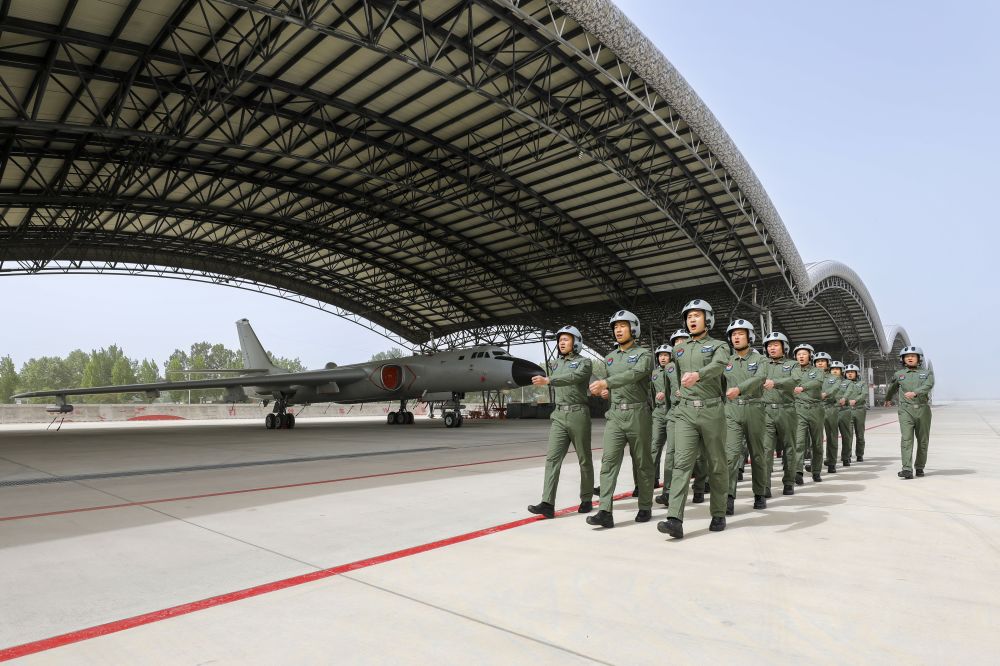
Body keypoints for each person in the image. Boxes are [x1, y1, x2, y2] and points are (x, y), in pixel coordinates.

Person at [657, 299, 730, 539]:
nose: (692, 320)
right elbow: (676, 379)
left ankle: (718, 512)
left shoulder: (720, 346)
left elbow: (720, 366)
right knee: (681, 464)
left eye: (697, 315)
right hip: (686, 412)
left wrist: (698, 375)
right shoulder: (678, 349)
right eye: (689, 316)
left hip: (711, 410)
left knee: (716, 463)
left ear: (708, 319)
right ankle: (674, 519)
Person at [586, 310, 654, 527]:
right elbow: (611, 383)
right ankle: (605, 511)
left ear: (633, 328)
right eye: (615, 327)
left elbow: (634, 375)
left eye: (623, 326)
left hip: (638, 414)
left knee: (642, 462)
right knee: (608, 462)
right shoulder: (610, 358)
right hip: (615, 415)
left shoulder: (645, 355)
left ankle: (645, 505)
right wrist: (606, 392)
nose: (618, 330)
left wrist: (607, 384)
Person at [528, 325, 594, 519]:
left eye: (566, 339)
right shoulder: (555, 363)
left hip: (578, 413)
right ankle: (547, 503)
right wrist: (549, 379)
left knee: (584, 458)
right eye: (560, 340)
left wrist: (549, 381)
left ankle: (587, 498)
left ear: (576, 342)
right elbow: (559, 377)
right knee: (552, 459)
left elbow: (573, 378)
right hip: (559, 415)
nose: (561, 343)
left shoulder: (585, 362)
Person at [722, 319, 768, 511]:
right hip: (731, 411)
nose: (737, 337)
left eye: (741, 333)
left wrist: (739, 389)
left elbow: (760, 378)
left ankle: (759, 493)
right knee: (731, 455)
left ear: (750, 336)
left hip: (754, 409)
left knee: (757, 454)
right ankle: (729, 497)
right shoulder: (726, 362)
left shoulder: (760, 360)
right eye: (733, 334)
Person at [884, 346, 935, 479]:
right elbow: (892, 388)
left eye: (913, 356)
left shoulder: (927, 373)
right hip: (905, 410)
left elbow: (929, 385)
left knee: (923, 440)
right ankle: (907, 468)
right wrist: (887, 399)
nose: (910, 358)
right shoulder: (899, 374)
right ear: (903, 359)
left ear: (919, 358)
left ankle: (919, 467)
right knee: (906, 439)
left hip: (923, 410)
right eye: (907, 356)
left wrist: (916, 392)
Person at [760, 332, 798, 496]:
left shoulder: (793, 365)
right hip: (766, 411)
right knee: (766, 450)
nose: (772, 348)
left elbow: (795, 380)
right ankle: (765, 486)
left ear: (784, 347)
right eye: (769, 345)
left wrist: (776, 383)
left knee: (789, 447)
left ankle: (789, 481)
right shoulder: (762, 364)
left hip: (787, 410)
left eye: (775, 345)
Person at [655, 328, 689, 506]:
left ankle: (701, 486)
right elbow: (667, 392)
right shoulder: (669, 367)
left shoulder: (697, 363)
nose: (679, 344)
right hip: (675, 412)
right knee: (671, 453)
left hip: (696, 411)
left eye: (683, 340)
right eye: (676, 342)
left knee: (701, 454)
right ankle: (668, 491)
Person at [791, 343, 824, 483]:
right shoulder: (792, 370)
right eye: (798, 354)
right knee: (798, 442)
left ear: (810, 356)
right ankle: (798, 471)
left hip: (816, 409)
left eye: (804, 354)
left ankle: (816, 471)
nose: (801, 356)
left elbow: (817, 382)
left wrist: (803, 387)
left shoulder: (818, 371)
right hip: (799, 409)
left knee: (817, 443)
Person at [814, 351, 843, 475]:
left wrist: (826, 394)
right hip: (815, 408)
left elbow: (835, 389)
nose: (820, 363)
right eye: (817, 361)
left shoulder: (834, 378)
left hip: (830, 408)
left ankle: (831, 462)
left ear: (828, 363)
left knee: (831, 436)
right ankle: (816, 463)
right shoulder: (809, 376)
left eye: (822, 361)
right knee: (815, 438)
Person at [650, 344, 673, 490]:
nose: (662, 358)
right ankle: (653, 479)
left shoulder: (676, 370)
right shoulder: (654, 373)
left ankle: (670, 485)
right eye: (660, 355)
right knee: (654, 446)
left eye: (665, 355)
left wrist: (666, 393)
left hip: (673, 412)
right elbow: (652, 393)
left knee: (672, 450)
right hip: (659, 412)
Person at [843, 363, 868, 462]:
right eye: (848, 372)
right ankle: (847, 455)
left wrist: (855, 400)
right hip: (846, 411)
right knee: (847, 434)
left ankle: (859, 454)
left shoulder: (862, 383)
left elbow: (864, 393)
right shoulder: (842, 384)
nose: (849, 374)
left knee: (860, 434)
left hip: (859, 410)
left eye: (852, 372)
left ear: (856, 373)